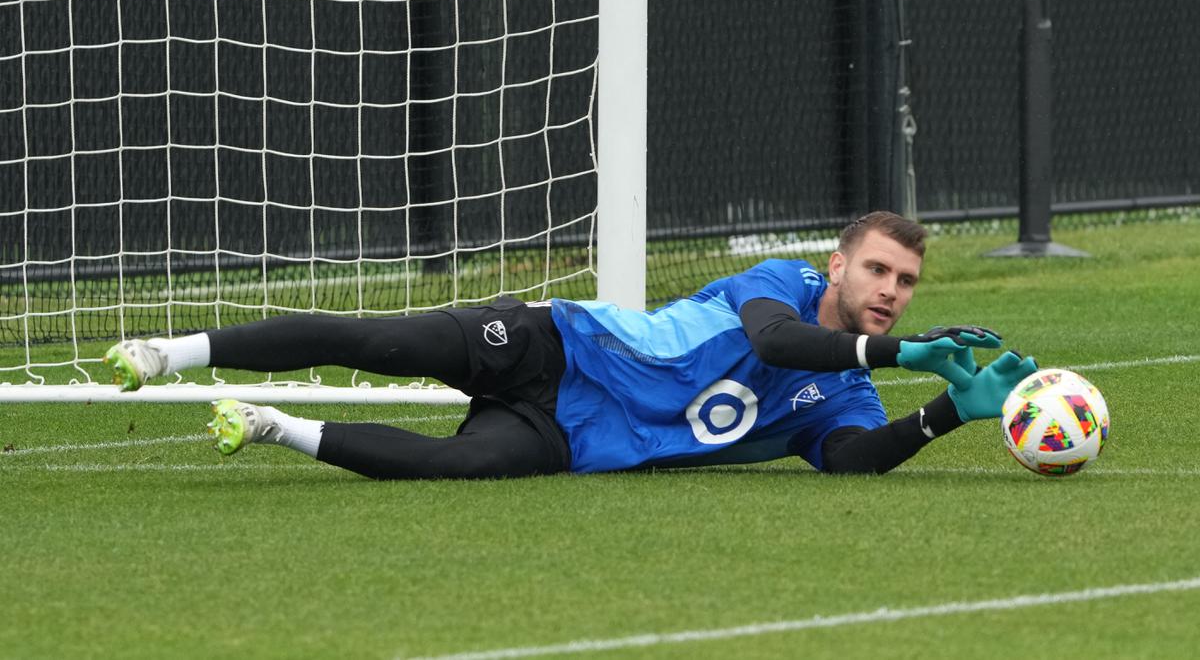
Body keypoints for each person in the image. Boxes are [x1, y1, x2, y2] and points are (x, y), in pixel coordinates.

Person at [103, 211, 1037, 479]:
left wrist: (953, 407)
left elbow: (851, 458)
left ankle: (274, 426)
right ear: (838, 265)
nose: (890, 291)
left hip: (580, 437)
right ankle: (169, 351)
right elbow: (778, 342)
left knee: (455, 468)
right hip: (560, 344)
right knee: (379, 338)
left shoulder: (849, 393)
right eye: (878, 271)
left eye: (906, 282)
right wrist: (908, 356)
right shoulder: (783, 282)